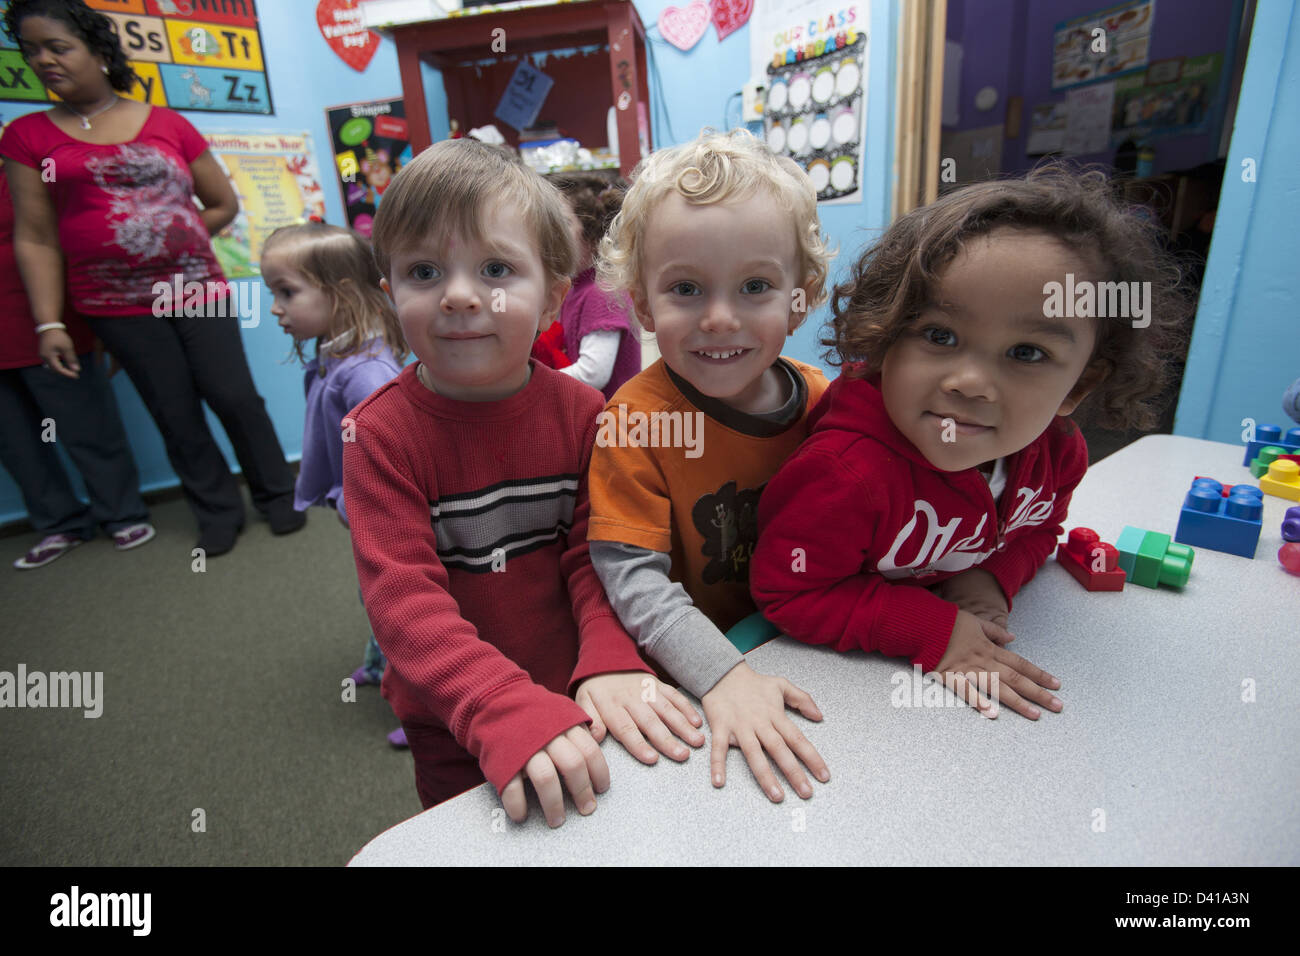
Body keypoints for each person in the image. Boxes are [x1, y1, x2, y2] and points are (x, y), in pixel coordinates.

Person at [346, 136, 703, 826]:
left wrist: (608, 657)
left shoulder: (582, 413)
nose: (456, 296)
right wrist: (496, 707)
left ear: (553, 298)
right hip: (457, 716)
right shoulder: (378, 436)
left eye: (495, 269)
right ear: (391, 296)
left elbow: (595, 556)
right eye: (424, 272)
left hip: (582, 689)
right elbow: (405, 605)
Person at [751, 166, 1191, 718]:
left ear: (1079, 385)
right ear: (885, 339)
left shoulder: (1058, 457)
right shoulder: (844, 474)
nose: (970, 382)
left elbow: (1039, 532)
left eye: (1027, 352)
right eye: (940, 336)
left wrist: (989, 577)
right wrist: (931, 629)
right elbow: (789, 591)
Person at [0, 0, 302, 558]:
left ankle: (279, 495)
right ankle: (216, 511)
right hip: (111, 300)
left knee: (234, 395)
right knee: (173, 408)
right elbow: (35, 237)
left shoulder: (167, 122)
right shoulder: (28, 137)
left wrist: (170, 231)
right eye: (32, 50)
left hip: (196, 287)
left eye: (58, 47)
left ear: (97, 51)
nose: (44, 60)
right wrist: (48, 322)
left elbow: (221, 203)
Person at [585, 128, 834, 803]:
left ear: (799, 297)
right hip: (691, 682)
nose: (720, 319)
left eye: (755, 286)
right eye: (686, 289)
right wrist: (721, 675)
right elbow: (633, 580)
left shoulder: (827, 404)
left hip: (814, 650)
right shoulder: (635, 423)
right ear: (641, 303)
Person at [259, 219, 409, 747]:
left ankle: (427, 709)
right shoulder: (336, 352)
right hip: (357, 505)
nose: (275, 307)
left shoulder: (365, 372)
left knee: (401, 601)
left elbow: (396, 452)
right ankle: (380, 661)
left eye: (286, 292)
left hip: (383, 513)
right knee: (375, 594)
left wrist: (361, 500)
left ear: (340, 293)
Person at [0, 138, 154, 569]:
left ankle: (121, 512)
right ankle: (58, 521)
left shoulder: (31, 180)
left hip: (45, 323)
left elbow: (69, 246)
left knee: (85, 422)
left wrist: (81, 324)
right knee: (15, 440)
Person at [551, 174, 641, 399]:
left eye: (563, 224)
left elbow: (593, 373)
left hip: (615, 423)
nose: (552, 235)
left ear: (594, 234)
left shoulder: (602, 291)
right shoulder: (578, 286)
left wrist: (535, 382)